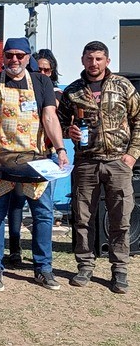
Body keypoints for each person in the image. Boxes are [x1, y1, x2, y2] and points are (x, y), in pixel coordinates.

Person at [0, 37, 69, 292]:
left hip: (36, 159)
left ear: (28, 58)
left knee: (43, 214)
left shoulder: (41, 82)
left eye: (19, 55)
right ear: (3, 57)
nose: (14, 60)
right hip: (0, 160)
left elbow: (49, 116)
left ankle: (43, 268)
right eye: (9, 55)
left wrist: (60, 148)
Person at [59, 41, 140, 294]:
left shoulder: (123, 86)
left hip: (118, 162)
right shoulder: (73, 91)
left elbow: (139, 121)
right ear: (82, 60)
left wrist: (132, 156)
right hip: (86, 163)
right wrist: (67, 131)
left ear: (107, 61)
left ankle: (119, 269)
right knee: (83, 218)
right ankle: (84, 265)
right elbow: (58, 124)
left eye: (98, 59)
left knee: (120, 218)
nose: (93, 63)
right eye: (89, 58)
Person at [6, 48, 64, 266]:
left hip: (44, 156)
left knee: (43, 209)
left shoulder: (55, 91)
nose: (42, 73)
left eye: (46, 70)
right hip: (18, 156)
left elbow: (52, 114)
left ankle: (42, 262)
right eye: (38, 69)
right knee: (16, 204)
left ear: (52, 71)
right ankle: (14, 248)